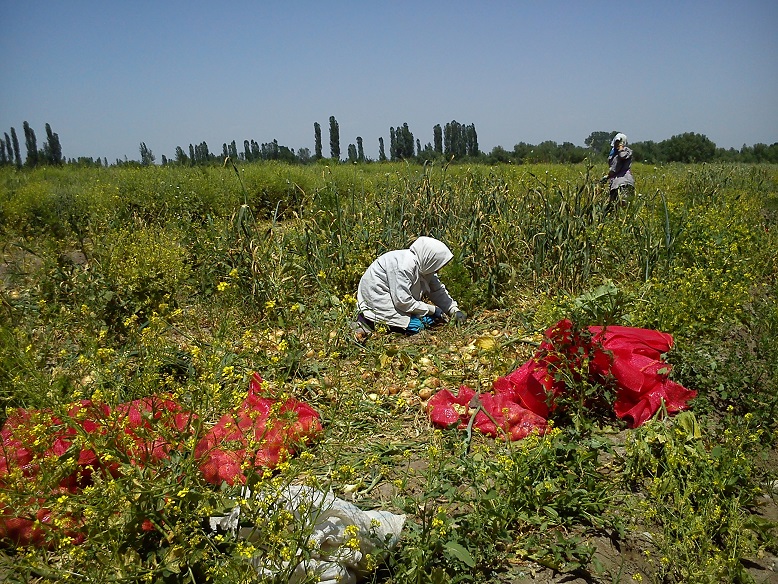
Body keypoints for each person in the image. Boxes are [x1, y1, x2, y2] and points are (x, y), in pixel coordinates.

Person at [354, 236, 467, 336]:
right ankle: (367, 322)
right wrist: (433, 309)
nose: (438, 269)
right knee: (419, 326)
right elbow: (402, 301)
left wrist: (453, 310)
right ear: (430, 259)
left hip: (397, 303)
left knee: (432, 321)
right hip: (380, 302)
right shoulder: (403, 266)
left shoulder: (424, 267)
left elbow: (437, 290)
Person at [601, 132, 635, 211]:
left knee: (618, 207)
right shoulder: (619, 152)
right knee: (625, 208)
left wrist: (607, 177)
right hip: (626, 182)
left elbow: (615, 169)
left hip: (621, 183)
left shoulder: (623, 152)